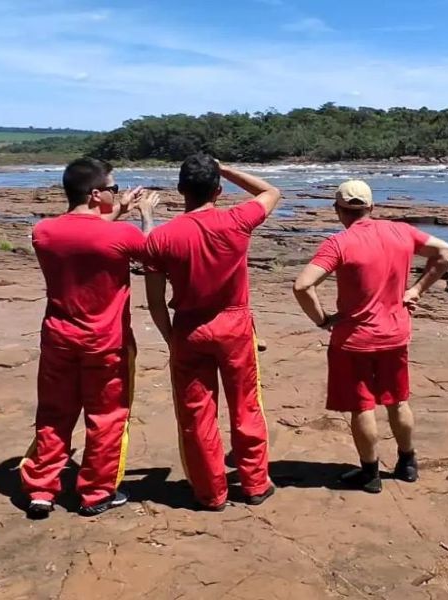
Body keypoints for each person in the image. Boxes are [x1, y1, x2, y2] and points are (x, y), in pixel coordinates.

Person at [292, 180, 448, 494]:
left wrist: (323, 320)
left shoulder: (339, 243)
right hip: (395, 334)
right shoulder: (401, 232)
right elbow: (447, 252)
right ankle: (407, 463)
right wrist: (416, 290)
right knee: (397, 400)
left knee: (362, 406)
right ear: (372, 207)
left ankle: (370, 473)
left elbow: (302, 286)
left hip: (354, 339)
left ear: (338, 210)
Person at [22, 157, 160, 519]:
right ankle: (95, 492)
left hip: (58, 340)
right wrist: (144, 215)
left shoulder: (45, 232)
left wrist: (115, 210)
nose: (117, 194)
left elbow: (86, 238)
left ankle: (41, 490)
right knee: (106, 417)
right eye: (114, 189)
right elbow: (148, 252)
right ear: (97, 193)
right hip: (105, 342)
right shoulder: (120, 235)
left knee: (53, 415)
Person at [144, 154, 281, 510]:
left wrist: (170, 337)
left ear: (179, 190)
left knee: (196, 414)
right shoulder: (236, 220)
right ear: (219, 190)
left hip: (189, 328)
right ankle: (253, 484)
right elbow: (271, 192)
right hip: (234, 325)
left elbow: (156, 302)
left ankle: (210, 493)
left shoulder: (160, 238)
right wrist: (230, 168)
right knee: (246, 406)